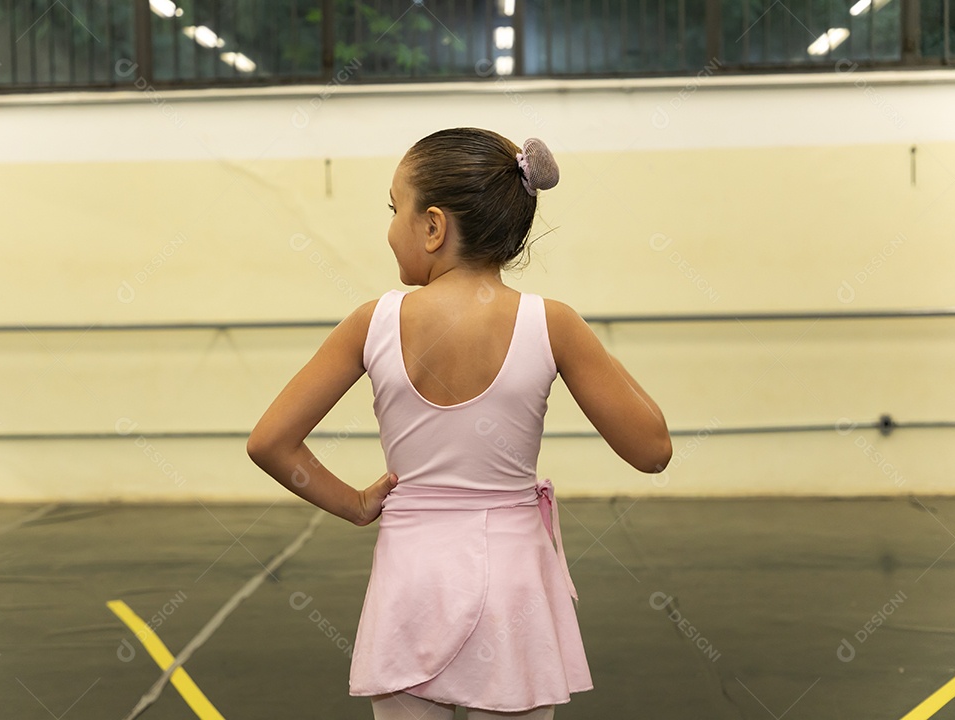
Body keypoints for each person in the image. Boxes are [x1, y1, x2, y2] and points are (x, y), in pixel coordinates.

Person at [246, 127, 673, 719]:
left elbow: (270, 443)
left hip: (411, 582)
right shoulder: (552, 323)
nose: (389, 228)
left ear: (433, 227)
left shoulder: (373, 322)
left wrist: (356, 504)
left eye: (394, 209)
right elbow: (652, 449)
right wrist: (582, 345)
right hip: (514, 585)